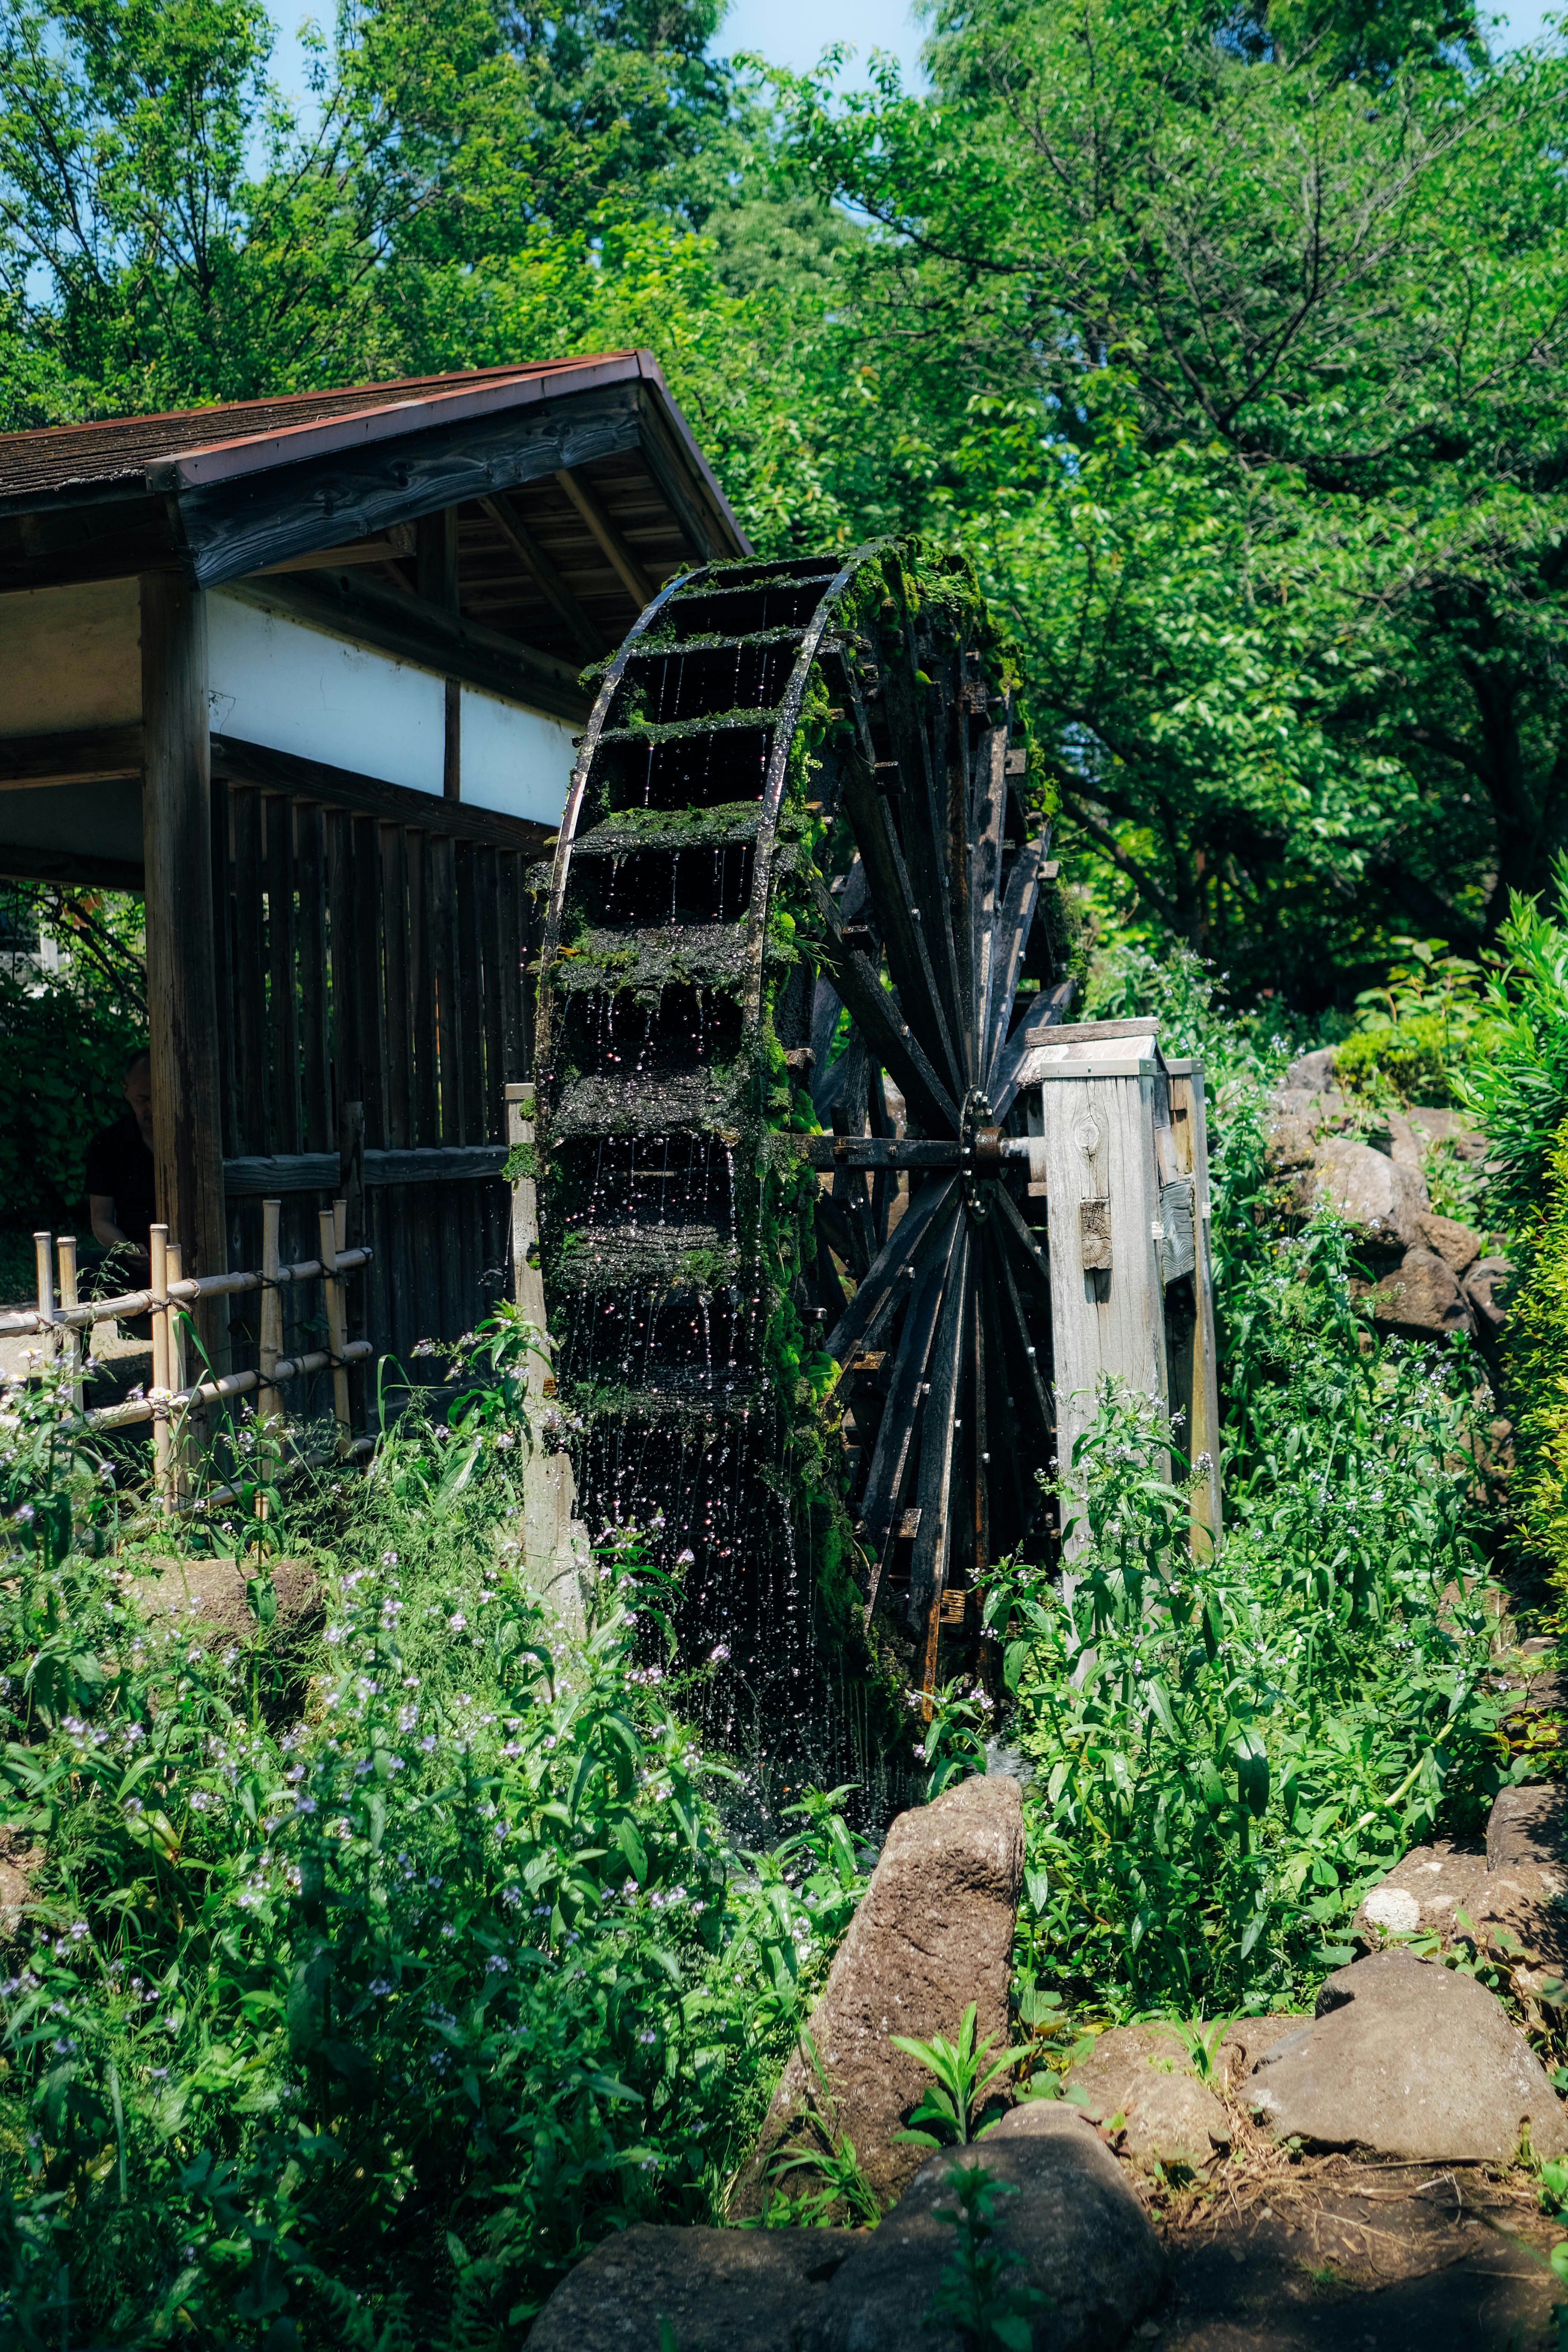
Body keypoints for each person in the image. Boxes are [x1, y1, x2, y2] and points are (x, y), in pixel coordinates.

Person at [86, 1048, 157, 1280]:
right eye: (144, 1100)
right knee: (84, 1270)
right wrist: (128, 1249)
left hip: (191, 1252)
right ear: (126, 1091)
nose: (153, 1109)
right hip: (136, 1258)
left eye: (158, 1098)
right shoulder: (107, 1144)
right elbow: (101, 1220)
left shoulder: (194, 1138)